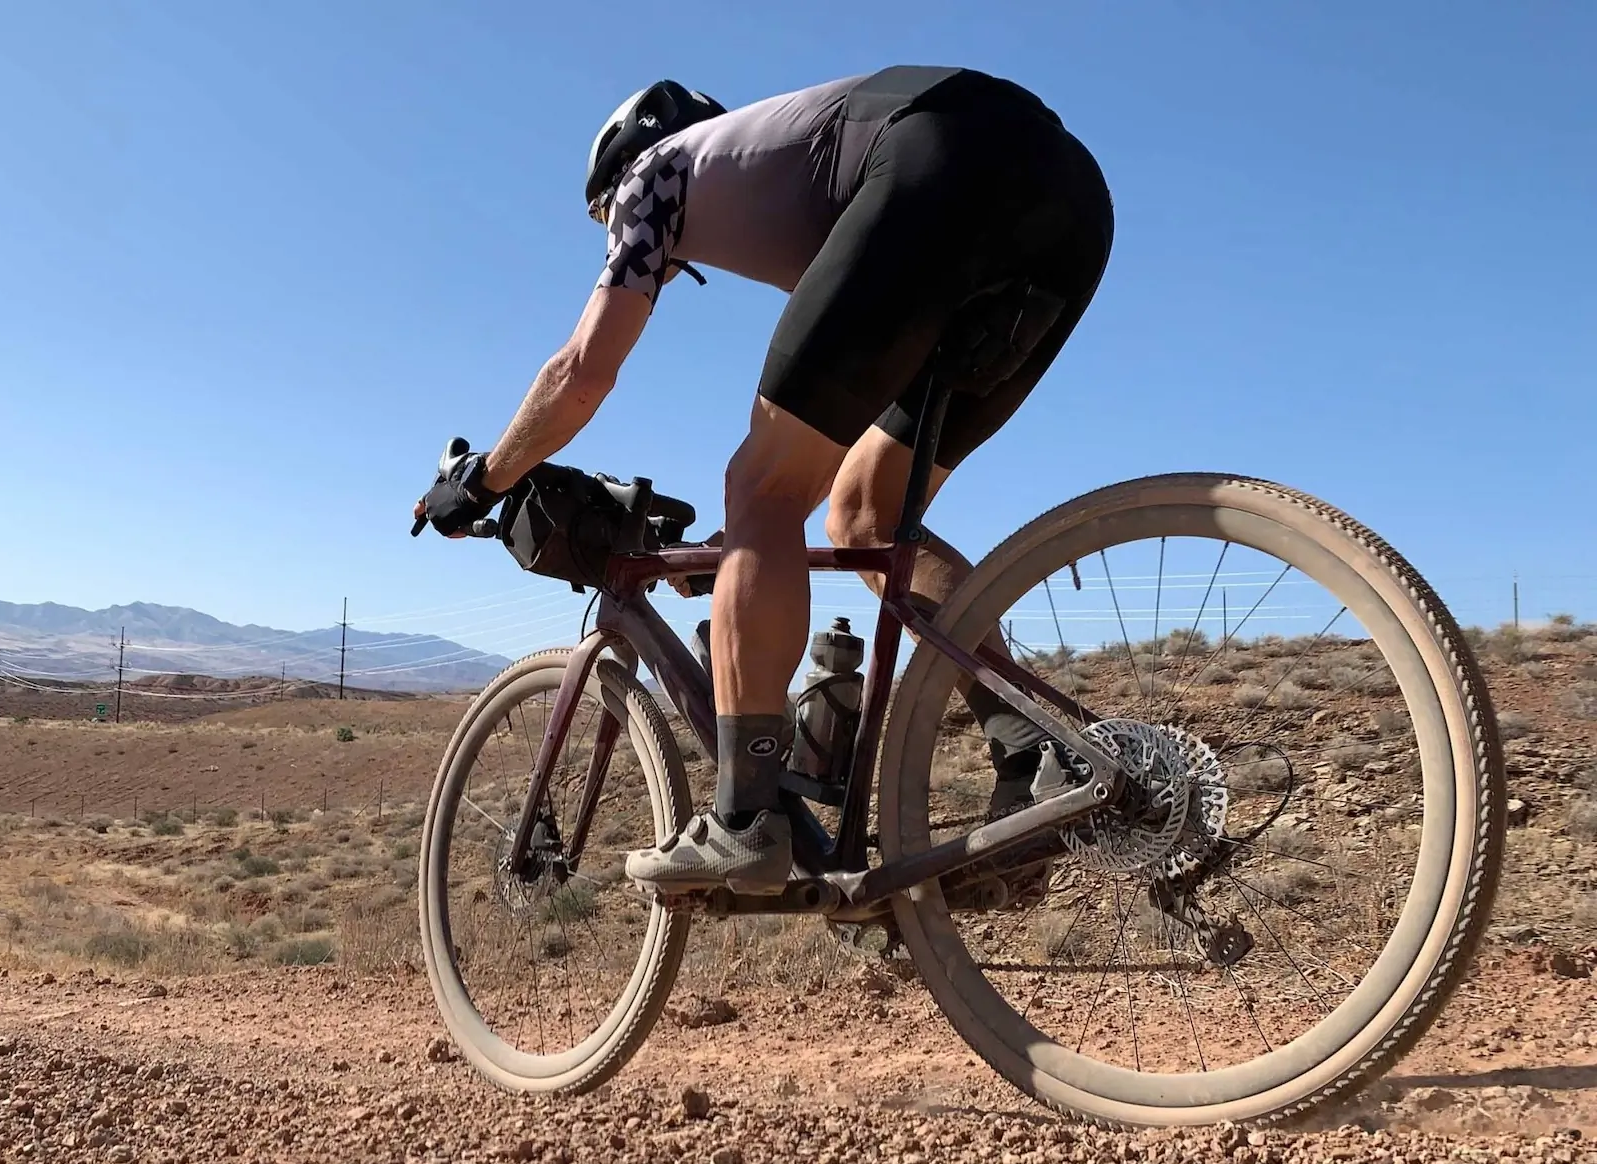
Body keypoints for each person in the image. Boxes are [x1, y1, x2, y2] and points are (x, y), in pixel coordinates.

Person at [413, 66, 1113, 895]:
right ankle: (1039, 752)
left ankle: (746, 820)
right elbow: (830, 435)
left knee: (756, 483)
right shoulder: (794, 172)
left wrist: (484, 481)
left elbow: (580, 374)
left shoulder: (657, 173)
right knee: (863, 515)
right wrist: (746, 551)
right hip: (1070, 201)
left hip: (941, 161)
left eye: (603, 221)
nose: (616, 237)